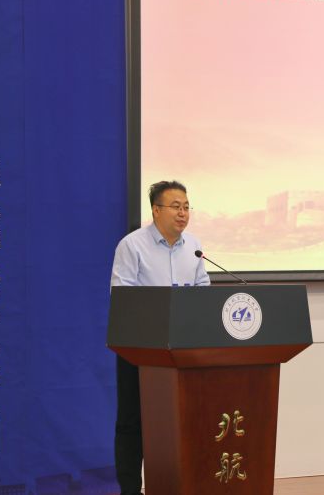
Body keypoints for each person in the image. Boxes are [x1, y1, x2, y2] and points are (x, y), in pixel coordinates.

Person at [110, 180, 210, 494]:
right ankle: (130, 489)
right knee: (133, 421)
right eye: (175, 206)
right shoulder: (132, 245)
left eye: (186, 207)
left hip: (183, 349)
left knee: (180, 420)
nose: (183, 213)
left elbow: (203, 290)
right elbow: (123, 295)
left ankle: (176, 484)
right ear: (156, 210)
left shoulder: (194, 246)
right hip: (140, 349)